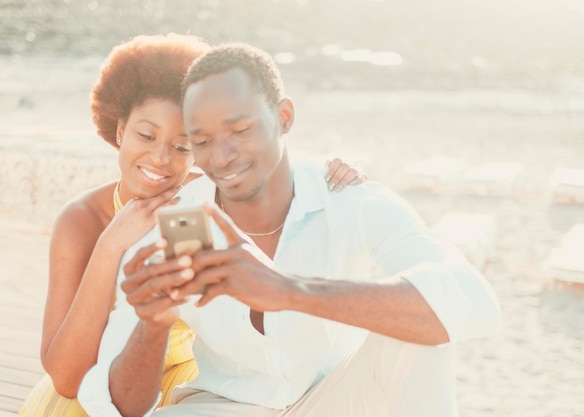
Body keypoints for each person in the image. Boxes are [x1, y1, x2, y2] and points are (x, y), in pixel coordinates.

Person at [78, 43, 500, 417]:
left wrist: (290, 290)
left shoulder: (347, 199)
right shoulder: (180, 224)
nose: (222, 157)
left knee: (421, 337)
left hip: (335, 401)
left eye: (240, 130)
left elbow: (470, 300)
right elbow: (121, 406)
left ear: (283, 116)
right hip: (222, 407)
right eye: (202, 141)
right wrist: (153, 325)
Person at [20, 35, 365, 417]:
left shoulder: (200, 201)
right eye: (146, 135)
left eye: (183, 147)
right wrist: (110, 245)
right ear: (120, 130)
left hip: (182, 383)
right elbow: (67, 378)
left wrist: (329, 174)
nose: (160, 158)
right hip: (86, 393)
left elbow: (271, 168)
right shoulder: (82, 219)